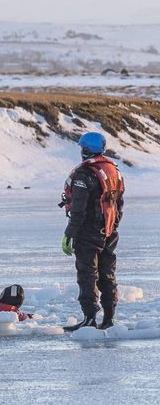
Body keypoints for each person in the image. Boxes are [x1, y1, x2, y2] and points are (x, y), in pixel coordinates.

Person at [60, 132, 125, 331]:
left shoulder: (84, 174)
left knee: (87, 274)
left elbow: (78, 209)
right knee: (107, 273)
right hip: (109, 231)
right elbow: (119, 204)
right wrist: (112, 227)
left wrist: (69, 234)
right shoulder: (113, 170)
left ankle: (89, 318)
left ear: (86, 150)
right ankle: (109, 318)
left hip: (88, 232)